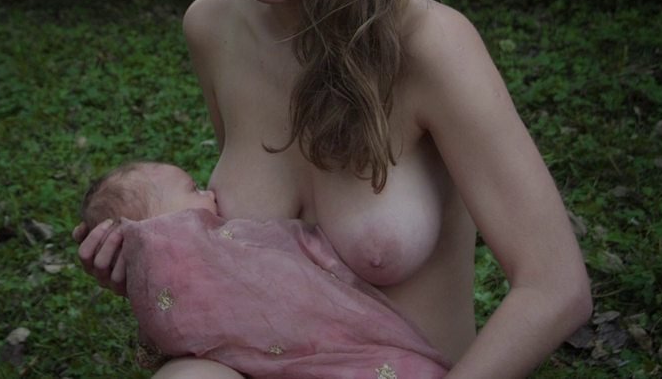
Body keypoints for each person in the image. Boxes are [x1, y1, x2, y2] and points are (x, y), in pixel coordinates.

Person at [75, 0, 591, 378]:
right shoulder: (212, 27)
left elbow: (555, 287)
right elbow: (250, 260)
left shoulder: (430, 45)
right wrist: (155, 265)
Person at [80, 160, 450, 378]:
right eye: (193, 189)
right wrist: (143, 273)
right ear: (155, 229)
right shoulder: (179, 254)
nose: (210, 194)